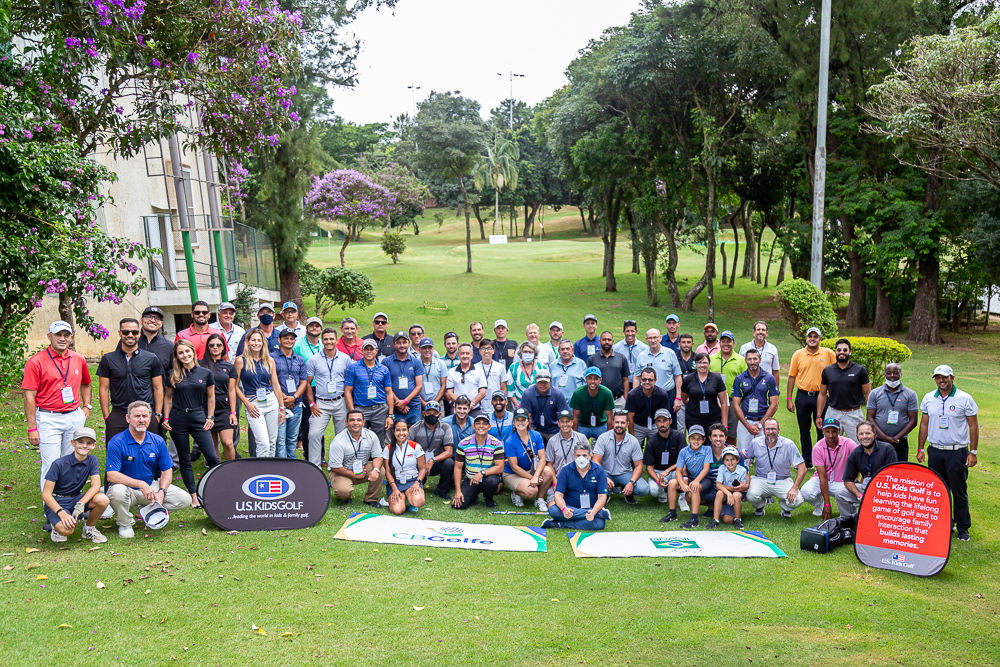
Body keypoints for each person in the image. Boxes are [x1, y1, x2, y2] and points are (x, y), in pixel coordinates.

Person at [22, 320, 92, 493]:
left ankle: (68, 499)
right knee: (51, 463)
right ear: (49, 336)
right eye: (58, 335)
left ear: (71, 337)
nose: (62, 338)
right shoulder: (36, 361)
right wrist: (32, 428)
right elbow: (29, 395)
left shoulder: (79, 359)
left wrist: (87, 406)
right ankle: (50, 508)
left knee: (72, 459)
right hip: (48, 417)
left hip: (74, 415)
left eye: (66, 335)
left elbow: (86, 383)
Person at [106, 401, 192, 538]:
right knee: (118, 491)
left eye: (145, 416)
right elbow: (111, 475)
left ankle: (146, 510)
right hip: (127, 489)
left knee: (184, 499)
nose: (141, 420)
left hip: (150, 488)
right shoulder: (117, 442)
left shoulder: (157, 441)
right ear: (128, 418)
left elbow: (166, 470)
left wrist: (162, 491)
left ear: (149, 419)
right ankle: (125, 523)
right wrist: (140, 484)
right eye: (137, 416)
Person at [917, 364, 979, 542]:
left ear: (952, 377)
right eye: (938, 377)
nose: (941, 381)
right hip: (935, 450)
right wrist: (921, 448)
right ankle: (943, 523)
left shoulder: (964, 398)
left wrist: (973, 451)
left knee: (958, 491)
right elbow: (924, 424)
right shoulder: (929, 398)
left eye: (944, 377)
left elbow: (973, 425)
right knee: (938, 491)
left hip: (956, 452)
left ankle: (963, 528)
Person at [162, 339, 218, 507]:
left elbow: (211, 397)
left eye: (187, 351)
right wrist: (165, 418)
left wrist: (210, 417)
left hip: (198, 416)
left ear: (193, 352)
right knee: (184, 459)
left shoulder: (205, 373)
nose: (185, 355)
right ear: (177, 356)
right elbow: (167, 398)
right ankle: (194, 496)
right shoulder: (173, 374)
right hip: (178, 418)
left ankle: (213, 490)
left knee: (212, 457)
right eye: (181, 353)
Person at [97, 318, 164, 443]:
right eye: (126, 332)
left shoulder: (151, 358)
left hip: (145, 413)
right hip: (119, 413)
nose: (130, 335)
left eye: (134, 332)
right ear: (120, 333)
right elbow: (104, 389)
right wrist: (107, 416)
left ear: (139, 333)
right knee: (116, 455)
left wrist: (158, 414)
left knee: (150, 454)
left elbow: (158, 387)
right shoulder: (108, 359)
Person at [41, 427, 109, 544]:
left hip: (76, 499)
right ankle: (56, 527)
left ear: (93, 445)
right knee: (66, 531)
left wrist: (81, 503)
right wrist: (61, 512)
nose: (84, 446)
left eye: (89, 443)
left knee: (102, 499)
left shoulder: (93, 460)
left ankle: (89, 529)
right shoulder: (58, 464)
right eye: (80, 442)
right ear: (73, 443)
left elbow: (95, 486)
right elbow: (46, 494)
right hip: (58, 501)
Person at [786, 327, 835, 467]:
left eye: (815, 336)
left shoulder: (828, 353)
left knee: (822, 428)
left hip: (822, 396)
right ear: (806, 338)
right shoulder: (798, 354)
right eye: (810, 336)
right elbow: (791, 377)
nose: (812, 339)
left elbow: (836, 373)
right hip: (803, 396)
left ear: (820, 338)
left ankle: (822, 458)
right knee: (804, 429)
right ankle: (807, 459)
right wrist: (789, 399)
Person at [235, 328, 286, 457]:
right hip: (253, 403)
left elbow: (275, 385)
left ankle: (271, 470)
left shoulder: (269, 360)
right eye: (253, 340)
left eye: (259, 340)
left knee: (272, 442)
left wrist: (281, 408)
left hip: (271, 401)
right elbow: (234, 387)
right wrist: (247, 404)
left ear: (263, 343)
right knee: (263, 443)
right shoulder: (240, 360)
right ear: (247, 341)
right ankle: (261, 471)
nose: (256, 343)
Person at [305, 328, 352, 466]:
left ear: (336, 340)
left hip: (340, 401)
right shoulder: (313, 360)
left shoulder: (345, 359)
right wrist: (312, 404)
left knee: (342, 435)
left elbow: (350, 382)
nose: (328, 342)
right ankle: (314, 466)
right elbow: (307, 383)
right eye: (325, 339)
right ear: (322, 341)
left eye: (331, 339)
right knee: (314, 434)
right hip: (321, 404)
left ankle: (340, 465)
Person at [743, 418, 806, 518]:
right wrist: (728, 450)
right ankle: (760, 505)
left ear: (779, 430)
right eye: (768, 429)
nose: (770, 432)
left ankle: (785, 507)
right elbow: (743, 455)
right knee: (751, 495)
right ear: (763, 430)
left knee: (797, 500)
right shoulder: (756, 443)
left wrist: (794, 488)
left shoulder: (788, 444)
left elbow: (802, 467)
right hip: (761, 479)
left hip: (782, 480)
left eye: (773, 429)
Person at [542, 442, 611, 530]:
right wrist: (564, 509)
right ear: (574, 456)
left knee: (599, 524)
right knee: (553, 510)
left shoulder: (599, 471)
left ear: (590, 456)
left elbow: (602, 496)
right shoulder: (566, 470)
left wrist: (593, 511)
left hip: (592, 508)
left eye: (584, 455)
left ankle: (560, 524)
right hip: (569, 508)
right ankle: (598, 514)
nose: (581, 458)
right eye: (578, 455)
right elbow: (558, 494)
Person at [801, 417, 859, 519]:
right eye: (827, 432)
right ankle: (820, 504)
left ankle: (848, 510)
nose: (831, 435)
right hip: (823, 479)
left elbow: (860, 459)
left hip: (843, 481)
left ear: (839, 431)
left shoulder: (848, 443)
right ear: (822, 431)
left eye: (834, 431)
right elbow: (822, 476)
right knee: (806, 492)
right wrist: (827, 504)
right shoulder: (818, 447)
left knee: (859, 497)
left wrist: (855, 477)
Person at [816, 338, 871, 443]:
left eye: (845, 350)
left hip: (853, 414)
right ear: (836, 351)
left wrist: (869, 416)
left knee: (857, 445)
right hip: (833, 413)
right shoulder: (828, 371)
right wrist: (819, 416)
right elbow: (822, 394)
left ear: (850, 352)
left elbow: (868, 393)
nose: (842, 352)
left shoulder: (859, 370)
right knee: (830, 444)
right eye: (839, 350)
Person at [328, 409, 385, 507]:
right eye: (352, 420)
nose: (355, 423)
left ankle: (371, 498)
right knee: (343, 491)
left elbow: (378, 456)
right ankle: (346, 497)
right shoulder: (338, 441)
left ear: (363, 423)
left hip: (362, 467)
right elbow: (335, 467)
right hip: (341, 471)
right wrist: (354, 475)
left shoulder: (371, 436)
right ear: (346, 422)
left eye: (359, 420)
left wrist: (375, 470)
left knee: (380, 470)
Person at [345, 338, 395, 446]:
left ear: (376, 351)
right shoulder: (353, 368)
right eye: (366, 349)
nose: (369, 351)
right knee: (358, 440)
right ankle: (361, 462)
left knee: (378, 441)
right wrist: (352, 412)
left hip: (379, 410)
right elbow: (348, 391)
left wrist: (390, 415)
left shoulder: (384, 369)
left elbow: (389, 392)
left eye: (371, 349)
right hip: (360, 409)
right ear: (362, 351)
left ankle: (376, 462)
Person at [841, 420, 897, 516]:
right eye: (861, 434)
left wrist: (879, 492)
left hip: (885, 490)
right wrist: (860, 495)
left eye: (868, 433)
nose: (864, 437)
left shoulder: (887, 449)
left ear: (875, 435)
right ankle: (852, 520)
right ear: (857, 436)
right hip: (866, 488)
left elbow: (894, 477)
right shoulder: (855, 453)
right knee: (840, 492)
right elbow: (847, 480)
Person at [866, 363, 919, 462]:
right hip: (879, 440)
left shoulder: (910, 394)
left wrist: (896, 438)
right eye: (889, 373)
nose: (892, 376)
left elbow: (913, 421)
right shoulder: (875, 393)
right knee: (878, 471)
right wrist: (885, 438)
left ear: (901, 374)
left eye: (896, 373)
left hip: (900, 442)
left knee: (899, 472)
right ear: (885, 374)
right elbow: (869, 418)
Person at [503, 408, 553, 511]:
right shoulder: (510, 441)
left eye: (523, 419)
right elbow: (514, 467)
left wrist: (536, 476)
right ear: (514, 422)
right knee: (531, 491)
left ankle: (539, 499)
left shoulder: (536, 435)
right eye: (517, 420)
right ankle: (516, 493)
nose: (520, 422)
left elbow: (543, 458)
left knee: (548, 471)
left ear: (528, 421)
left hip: (531, 469)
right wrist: (532, 478)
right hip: (512, 474)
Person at [451, 413, 505, 509]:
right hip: (471, 479)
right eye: (478, 423)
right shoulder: (463, 443)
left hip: (488, 477)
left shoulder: (496, 444)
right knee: (459, 505)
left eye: (484, 423)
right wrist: (458, 491)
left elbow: (500, 467)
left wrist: (482, 473)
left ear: (489, 427)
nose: (481, 426)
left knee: (492, 482)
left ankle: (488, 498)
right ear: (473, 426)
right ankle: (473, 495)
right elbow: (458, 468)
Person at [731, 349, 780, 454]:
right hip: (745, 422)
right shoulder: (739, 379)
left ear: (760, 359)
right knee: (743, 453)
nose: (752, 362)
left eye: (755, 359)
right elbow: (735, 405)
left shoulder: (769, 378)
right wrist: (747, 425)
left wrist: (760, 424)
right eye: (749, 359)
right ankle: (745, 471)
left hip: (763, 421)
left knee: (766, 453)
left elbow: (774, 404)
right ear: (745, 360)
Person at [593, 411, 648, 503]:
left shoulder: (633, 441)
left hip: (625, 473)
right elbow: (595, 461)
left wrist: (632, 482)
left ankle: (627, 490)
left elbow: (639, 465)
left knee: (644, 489)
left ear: (627, 424)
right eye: (617, 422)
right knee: (590, 482)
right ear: (613, 422)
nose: (619, 425)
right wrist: (604, 477)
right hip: (606, 473)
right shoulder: (603, 438)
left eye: (622, 423)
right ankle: (606, 493)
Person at [661, 425, 711, 526]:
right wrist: (682, 484)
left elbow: (706, 468)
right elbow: (678, 471)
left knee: (694, 487)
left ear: (703, 440)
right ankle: (672, 513)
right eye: (693, 438)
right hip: (690, 477)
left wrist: (696, 481)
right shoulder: (684, 451)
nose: (696, 441)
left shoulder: (706, 450)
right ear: (689, 439)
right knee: (672, 483)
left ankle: (694, 519)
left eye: (699, 438)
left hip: (704, 478)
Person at [201, 333, 239, 461]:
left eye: (218, 345)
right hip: (205, 407)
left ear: (223, 347)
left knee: (228, 443)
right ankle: (216, 470)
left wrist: (233, 412)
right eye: (212, 345)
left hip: (224, 407)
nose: (215, 347)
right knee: (212, 444)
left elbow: (232, 390)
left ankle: (230, 467)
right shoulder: (200, 365)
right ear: (208, 347)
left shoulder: (229, 367)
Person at [634, 329, 683, 422]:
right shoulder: (641, 356)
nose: (653, 340)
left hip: (667, 395)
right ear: (646, 339)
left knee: (668, 425)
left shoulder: (670, 353)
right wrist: (635, 396)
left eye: (655, 337)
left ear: (660, 338)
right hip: (647, 396)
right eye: (650, 338)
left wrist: (678, 398)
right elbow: (636, 377)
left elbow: (678, 376)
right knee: (647, 424)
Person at [409, 401, 455, 499]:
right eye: (428, 412)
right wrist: (421, 463)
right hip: (418, 463)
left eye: (434, 413)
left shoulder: (445, 427)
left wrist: (432, 460)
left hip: (436, 462)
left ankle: (442, 490)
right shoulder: (415, 428)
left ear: (439, 414)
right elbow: (407, 448)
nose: (431, 415)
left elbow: (449, 452)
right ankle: (419, 481)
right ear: (423, 413)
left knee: (449, 462)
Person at [274, 329, 308, 459]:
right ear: (279, 340)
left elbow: (304, 382)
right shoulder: (272, 358)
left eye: (291, 338)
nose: (289, 341)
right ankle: (281, 464)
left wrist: (294, 398)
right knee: (280, 438)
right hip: (279, 404)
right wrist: (284, 399)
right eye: (286, 338)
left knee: (292, 438)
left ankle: (291, 464)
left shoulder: (299, 360)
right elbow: (271, 381)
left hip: (296, 404)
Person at [708, 330, 746, 444]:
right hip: (714, 400)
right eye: (723, 341)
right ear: (719, 343)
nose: (726, 344)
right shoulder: (711, 358)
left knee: (731, 432)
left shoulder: (741, 360)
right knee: (713, 429)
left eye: (729, 341)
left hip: (733, 400)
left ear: (733, 343)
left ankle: (730, 457)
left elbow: (745, 381)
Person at [383, 419, 427, 515]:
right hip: (396, 482)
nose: (401, 433)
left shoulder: (415, 446)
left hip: (412, 481)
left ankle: (410, 499)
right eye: (398, 430)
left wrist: (417, 483)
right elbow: (388, 472)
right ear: (393, 431)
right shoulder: (388, 449)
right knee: (397, 510)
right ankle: (402, 497)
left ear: (408, 431)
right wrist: (394, 489)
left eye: (404, 430)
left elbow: (423, 469)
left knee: (417, 501)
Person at [381, 331, 424, 426]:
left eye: (404, 342)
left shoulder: (416, 362)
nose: (402, 345)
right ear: (394, 344)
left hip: (413, 406)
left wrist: (405, 401)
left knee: (414, 435)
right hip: (395, 407)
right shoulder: (386, 362)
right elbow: (386, 386)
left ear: (408, 343)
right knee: (396, 436)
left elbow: (419, 386)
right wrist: (398, 403)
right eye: (398, 342)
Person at [644, 409, 685, 506]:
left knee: (685, 471)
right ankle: (663, 493)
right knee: (653, 490)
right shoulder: (651, 442)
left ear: (670, 421)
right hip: (658, 471)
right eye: (659, 421)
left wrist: (668, 470)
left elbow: (684, 460)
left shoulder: (679, 436)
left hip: (676, 470)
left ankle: (682, 498)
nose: (662, 424)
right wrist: (658, 480)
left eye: (665, 420)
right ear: (655, 423)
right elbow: (649, 467)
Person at [680, 352, 728, 434]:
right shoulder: (688, 379)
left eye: (705, 362)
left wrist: (724, 424)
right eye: (699, 362)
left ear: (709, 364)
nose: (702, 365)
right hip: (694, 419)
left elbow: (724, 402)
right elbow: (684, 398)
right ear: (695, 364)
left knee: (712, 444)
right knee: (696, 443)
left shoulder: (716, 379)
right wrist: (693, 407)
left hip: (713, 418)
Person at [519, 368, 568, 440]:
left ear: (550, 382)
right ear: (535, 382)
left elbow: (564, 416)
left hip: (553, 429)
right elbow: (526, 416)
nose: (543, 385)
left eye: (545, 382)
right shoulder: (527, 394)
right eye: (540, 382)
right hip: (534, 428)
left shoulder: (558, 394)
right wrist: (528, 435)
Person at [587, 331, 631, 408]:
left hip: (618, 400)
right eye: (604, 340)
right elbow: (588, 380)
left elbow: (625, 379)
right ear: (600, 341)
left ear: (613, 341)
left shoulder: (621, 358)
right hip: (598, 400)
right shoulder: (592, 359)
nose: (607, 342)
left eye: (609, 340)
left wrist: (625, 398)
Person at [571, 367, 615, 442]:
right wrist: (575, 437)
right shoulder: (578, 393)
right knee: (578, 447)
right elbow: (575, 417)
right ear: (586, 379)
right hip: (583, 425)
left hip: (600, 424)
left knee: (605, 445)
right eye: (590, 378)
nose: (592, 381)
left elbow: (609, 418)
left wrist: (609, 437)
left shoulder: (607, 393)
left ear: (600, 380)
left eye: (596, 378)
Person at [707, 447, 747, 529]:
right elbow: (718, 484)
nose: (730, 462)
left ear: (737, 460)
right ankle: (715, 520)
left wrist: (729, 489)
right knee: (719, 493)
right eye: (727, 460)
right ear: (723, 461)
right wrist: (729, 493)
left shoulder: (742, 470)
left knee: (736, 495)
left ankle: (738, 519)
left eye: (733, 459)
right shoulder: (722, 468)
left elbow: (741, 488)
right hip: (726, 494)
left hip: (737, 494)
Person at [445, 343, 487, 414]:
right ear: (458, 356)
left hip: (474, 409)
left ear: (471, 355)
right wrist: (462, 405)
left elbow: (483, 392)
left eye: (467, 353)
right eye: (462, 353)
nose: (465, 356)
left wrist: (470, 404)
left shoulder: (479, 370)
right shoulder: (451, 371)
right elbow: (449, 393)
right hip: (458, 410)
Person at [138, 306, 174, 378]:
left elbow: (173, 372)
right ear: (141, 320)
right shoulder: (129, 341)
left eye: (157, 318)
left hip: (160, 388)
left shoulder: (169, 346)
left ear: (161, 323)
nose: (153, 320)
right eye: (148, 316)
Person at [507, 341, 546, 408]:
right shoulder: (513, 368)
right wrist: (517, 405)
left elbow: (546, 387)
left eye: (530, 352)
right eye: (525, 352)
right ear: (521, 353)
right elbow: (510, 390)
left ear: (534, 353)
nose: (528, 354)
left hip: (538, 405)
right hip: (519, 405)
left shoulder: (541, 367)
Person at [418, 337, 448, 408]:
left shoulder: (441, 363)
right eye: (424, 348)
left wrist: (435, 402)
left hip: (438, 402)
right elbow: (413, 386)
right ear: (419, 349)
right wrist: (423, 403)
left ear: (433, 348)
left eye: (429, 348)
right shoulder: (415, 364)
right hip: (419, 403)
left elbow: (444, 385)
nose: (427, 350)